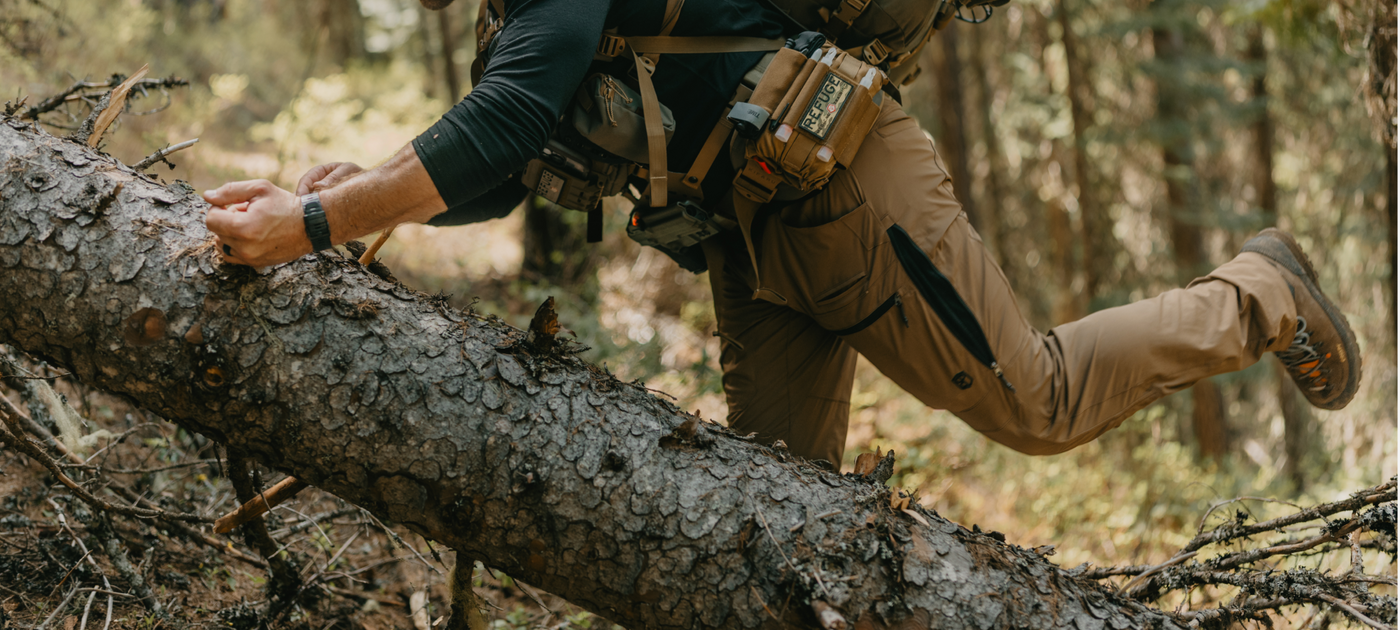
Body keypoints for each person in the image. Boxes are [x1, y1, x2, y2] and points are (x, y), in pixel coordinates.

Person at [204, 0, 1360, 470]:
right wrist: (370, 188)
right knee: (779, 508)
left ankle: (1257, 292)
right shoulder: (519, 13)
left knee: (1035, 404)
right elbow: (507, 167)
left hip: (845, 185)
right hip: (751, 234)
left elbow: (500, 118)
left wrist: (313, 222)